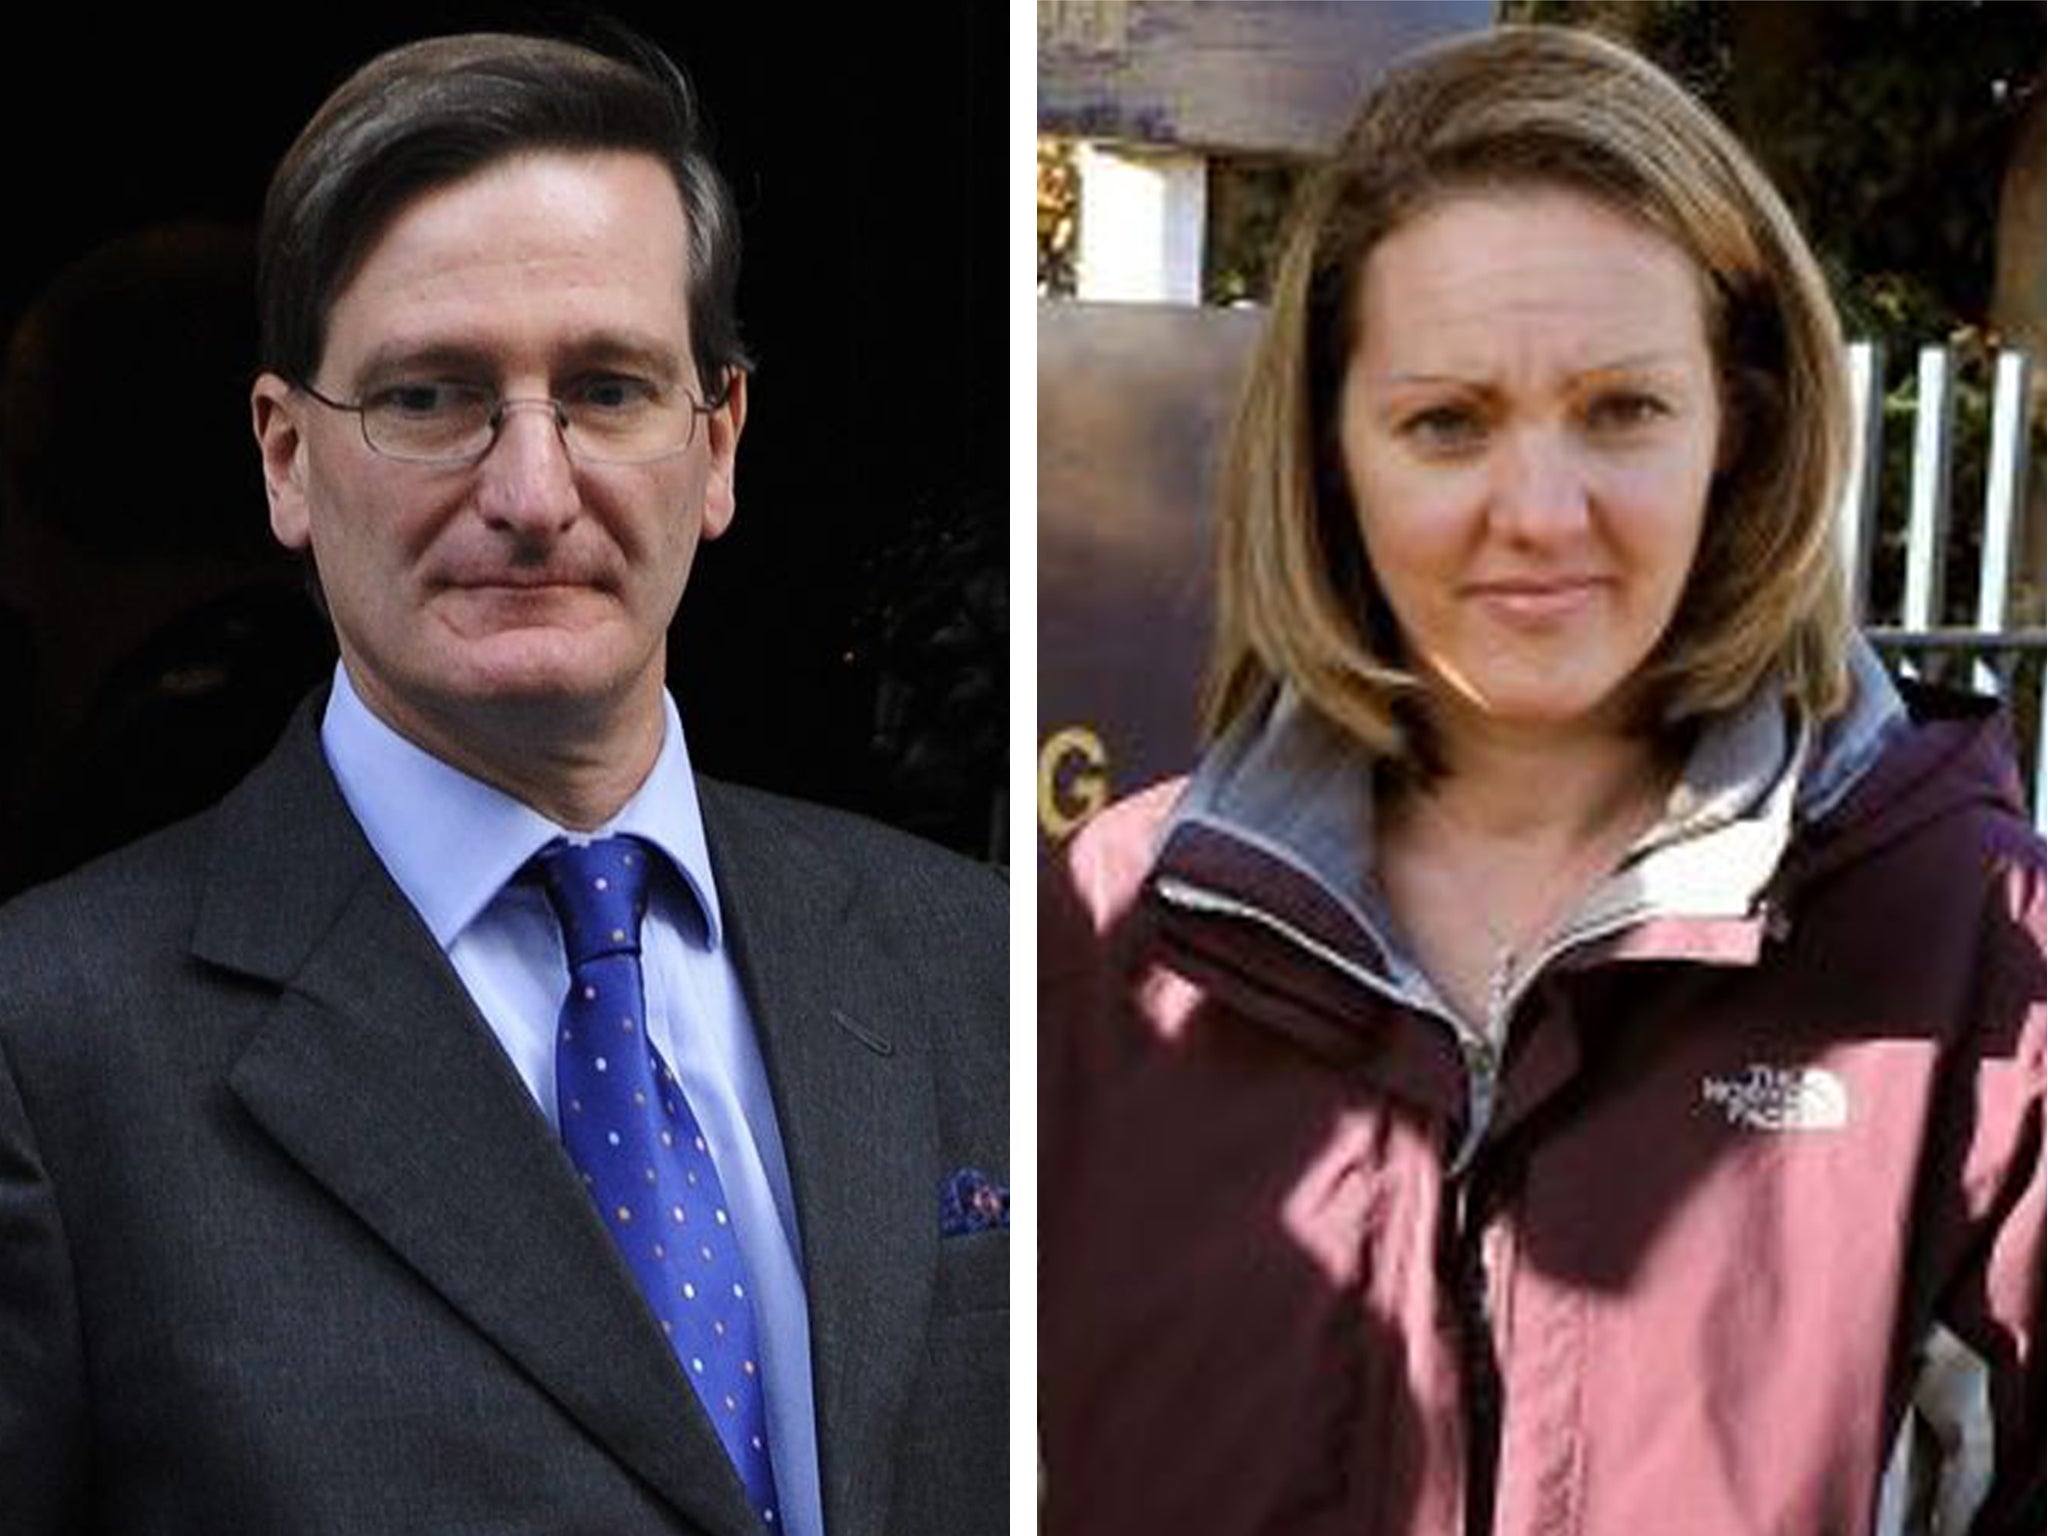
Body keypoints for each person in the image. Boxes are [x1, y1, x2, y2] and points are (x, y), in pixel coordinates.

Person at [0, 31, 1005, 1536]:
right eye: (428, 398)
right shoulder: (52, 1044)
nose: (532, 493)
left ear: (717, 442)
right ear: (284, 458)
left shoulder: (973, 959)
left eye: (606, 389)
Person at [1041, 25, 2040, 1536]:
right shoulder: (1108, 938)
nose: (1541, 512)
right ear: (1331, 456)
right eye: (1447, 423)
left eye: (1623, 410)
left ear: (1738, 428)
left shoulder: (1979, 954)